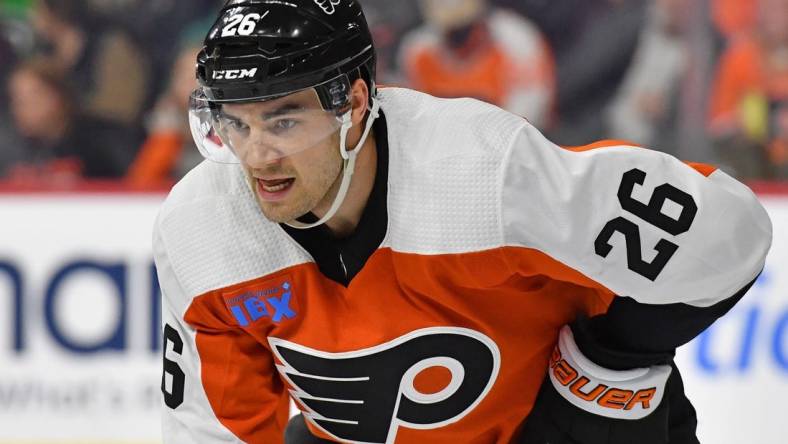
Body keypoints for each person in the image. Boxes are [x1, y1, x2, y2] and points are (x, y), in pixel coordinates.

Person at [155, 1, 772, 443]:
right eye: (235, 123)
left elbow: (730, 233)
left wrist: (606, 359)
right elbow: (212, 428)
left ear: (355, 106)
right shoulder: (201, 227)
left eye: (283, 120)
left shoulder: (482, 172)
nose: (257, 155)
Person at [398, 0, 554, 126]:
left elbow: (530, 111)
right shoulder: (418, 51)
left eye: (464, 30)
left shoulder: (516, 42)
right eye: (452, 32)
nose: (461, 40)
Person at [708, 0, 788, 179]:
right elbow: (718, 125)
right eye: (768, 9)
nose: (774, 17)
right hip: (753, 160)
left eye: (782, 9)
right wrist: (761, 120)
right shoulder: (740, 57)